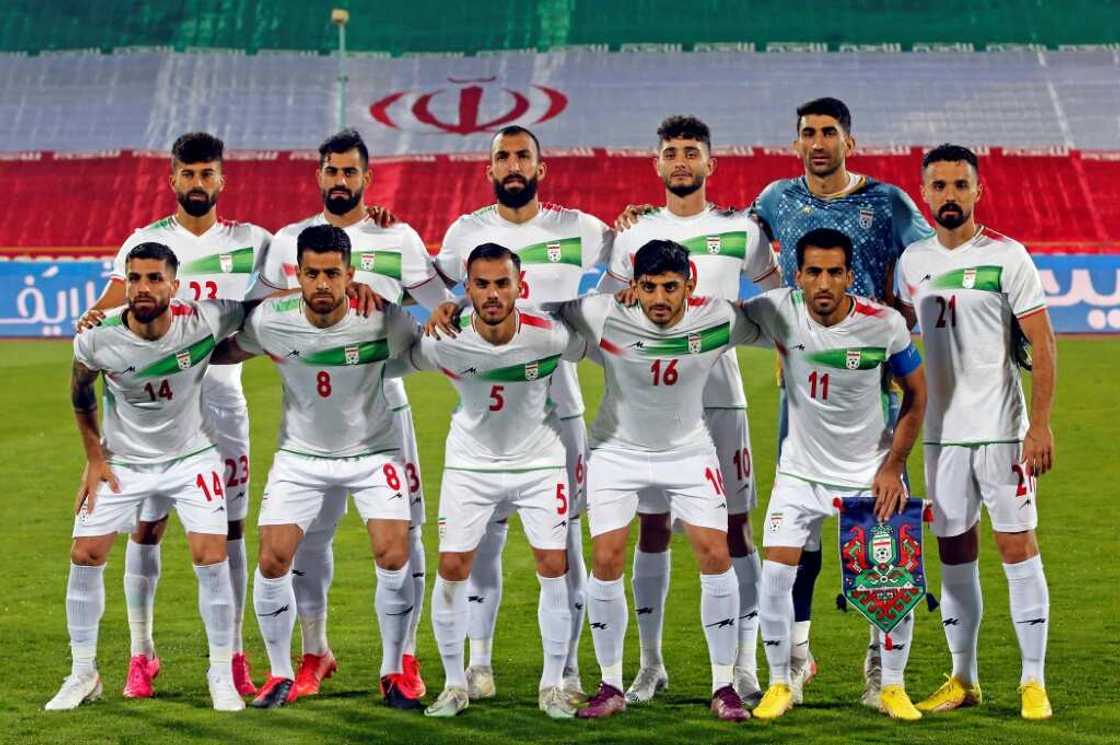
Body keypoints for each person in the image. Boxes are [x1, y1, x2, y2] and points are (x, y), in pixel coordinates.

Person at [249, 128, 451, 701]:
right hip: (312, 415)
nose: (340, 180)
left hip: (383, 408)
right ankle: (312, 655)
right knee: (308, 544)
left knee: (401, 540)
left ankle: (402, 660)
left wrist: (384, 298)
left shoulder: (398, 235)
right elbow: (258, 312)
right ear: (319, 176)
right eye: (331, 171)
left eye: (350, 172)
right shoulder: (290, 241)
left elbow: (441, 310)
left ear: (367, 177)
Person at [748, 97, 934, 706]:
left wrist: (902, 307)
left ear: (850, 141)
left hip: (870, 373)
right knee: (797, 544)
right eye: (809, 133)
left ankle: (883, 669)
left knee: (879, 537)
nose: (819, 142)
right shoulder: (776, 198)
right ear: (796, 141)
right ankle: (795, 660)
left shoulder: (887, 200)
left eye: (830, 132)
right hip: (800, 378)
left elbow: (928, 257)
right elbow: (732, 248)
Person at [75, 132, 271, 697]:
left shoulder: (252, 242)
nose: (197, 183)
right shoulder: (145, 242)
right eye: (187, 174)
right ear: (172, 178)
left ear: (222, 180)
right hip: (149, 406)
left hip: (222, 401)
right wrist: (92, 319)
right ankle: (142, 652)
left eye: (207, 174)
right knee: (146, 524)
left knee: (229, 532)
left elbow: (281, 295)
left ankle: (231, 657)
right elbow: (112, 306)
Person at [597, 115, 780, 705]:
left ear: (710, 164)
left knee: (734, 531)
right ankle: (650, 665)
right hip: (647, 410)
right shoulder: (630, 235)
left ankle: (743, 663)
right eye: (671, 152)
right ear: (656, 164)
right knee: (652, 528)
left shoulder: (742, 230)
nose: (681, 161)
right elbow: (607, 307)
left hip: (720, 399)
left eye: (691, 152)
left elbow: (776, 303)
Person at [548, 239, 768, 722]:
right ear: (634, 286)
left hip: (689, 452)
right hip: (615, 452)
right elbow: (547, 309)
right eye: (649, 288)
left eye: (672, 287)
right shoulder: (602, 313)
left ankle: (724, 684)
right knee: (606, 557)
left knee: (715, 553)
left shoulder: (718, 319)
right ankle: (610, 683)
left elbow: (778, 323)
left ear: (690, 285)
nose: (661, 299)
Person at [210, 225, 423, 710]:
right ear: (297, 276)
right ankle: (281, 673)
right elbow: (228, 348)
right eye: (311, 274)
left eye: (332, 273)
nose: (322, 284)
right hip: (301, 456)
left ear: (351, 274)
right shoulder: (272, 320)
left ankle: (393, 670)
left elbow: (421, 352)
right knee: (272, 558)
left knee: (393, 553)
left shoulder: (383, 319)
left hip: (372, 454)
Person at [435, 125, 613, 701]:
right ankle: (479, 663)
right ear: (489, 170)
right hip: (492, 413)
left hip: (561, 414)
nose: (513, 165)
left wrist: (638, 217)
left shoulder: (580, 228)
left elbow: (629, 261)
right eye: (502, 157)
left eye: (523, 156)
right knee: (482, 540)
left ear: (543, 167)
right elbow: (436, 295)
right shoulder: (465, 232)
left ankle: (566, 671)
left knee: (566, 546)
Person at [46, 241, 248, 712]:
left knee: (210, 554)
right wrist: (95, 457)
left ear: (175, 285)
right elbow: (80, 392)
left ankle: (220, 673)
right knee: (85, 553)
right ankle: (83, 674)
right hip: (125, 461)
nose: (142, 287)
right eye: (134, 278)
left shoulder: (205, 319)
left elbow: (262, 310)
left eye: (155, 278)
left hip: (191, 457)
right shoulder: (99, 337)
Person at [391, 243, 586, 719]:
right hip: (470, 466)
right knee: (453, 567)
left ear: (520, 286)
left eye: (503, 283)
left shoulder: (551, 336)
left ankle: (552, 685)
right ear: (467, 289)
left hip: (539, 464)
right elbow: (392, 360)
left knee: (553, 565)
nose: (493, 293)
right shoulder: (443, 342)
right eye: (481, 284)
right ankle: (456, 685)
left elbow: (611, 343)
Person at [898, 144, 1056, 721]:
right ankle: (963, 679)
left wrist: (1037, 426)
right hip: (940, 436)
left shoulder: (1008, 256)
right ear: (924, 193)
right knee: (954, 555)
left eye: (959, 185)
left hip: (1000, 434)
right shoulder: (912, 261)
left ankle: (1031, 680)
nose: (949, 195)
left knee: (1017, 548)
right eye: (938, 186)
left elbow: (1043, 343)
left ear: (977, 190)